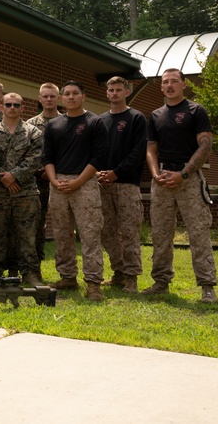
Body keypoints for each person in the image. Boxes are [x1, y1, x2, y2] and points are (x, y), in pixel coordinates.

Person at [143, 68, 218, 303]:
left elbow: (205, 146)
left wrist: (183, 174)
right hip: (163, 179)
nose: (169, 85)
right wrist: (155, 174)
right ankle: (161, 282)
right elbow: (151, 148)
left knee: (198, 233)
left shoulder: (196, 111)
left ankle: (207, 287)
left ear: (184, 85)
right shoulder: (156, 115)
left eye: (174, 81)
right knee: (160, 234)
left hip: (189, 178)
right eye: (165, 82)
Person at [43, 81, 108, 300]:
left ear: (83, 96)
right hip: (59, 184)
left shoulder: (95, 122)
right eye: (67, 94)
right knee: (62, 234)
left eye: (75, 93)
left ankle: (93, 283)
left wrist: (78, 181)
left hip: (85, 183)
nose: (70, 97)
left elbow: (99, 157)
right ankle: (68, 277)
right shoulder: (54, 125)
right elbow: (48, 157)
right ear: (62, 98)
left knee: (89, 234)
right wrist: (53, 180)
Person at [0, 93, 44, 285]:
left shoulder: (33, 132)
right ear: (1, 107)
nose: (12, 108)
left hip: (25, 193)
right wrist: (4, 178)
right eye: (8, 104)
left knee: (27, 235)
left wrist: (15, 176)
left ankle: (30, 273)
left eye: (16, 105)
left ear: (22, 108)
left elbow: (35, 159)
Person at [96, 76, 147, 293]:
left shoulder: (137, 118)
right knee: (107, 231)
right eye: (111, 90)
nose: (114, 93)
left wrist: (117, 173)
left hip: (127, 184)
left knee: (129, 232)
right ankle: (118, 272)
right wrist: (97, 172)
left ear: (127, 92)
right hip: (102, 184)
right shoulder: (100, 121)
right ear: (106, 93)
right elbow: (95, 150)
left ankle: (132, 277)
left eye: (118, 90)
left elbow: (138, 152)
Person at [26, 82, 62, 262]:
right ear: (39, 99)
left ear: (58, 98)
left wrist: (53, 172)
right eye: (45, 96)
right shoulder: (30, 125)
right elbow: (25, 152)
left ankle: (65, 267)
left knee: (63, 223)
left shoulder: (66, 121)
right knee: (37, 223)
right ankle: (36, 262)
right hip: (36, 181)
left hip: (62, 180)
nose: (48, 99)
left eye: (52, 96)